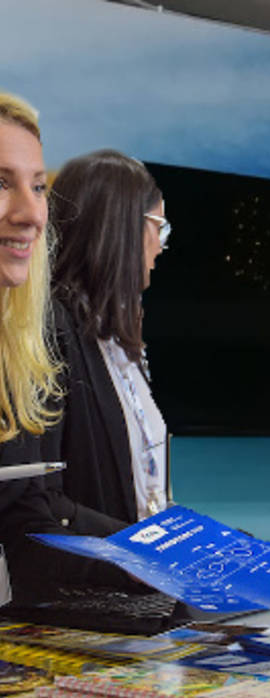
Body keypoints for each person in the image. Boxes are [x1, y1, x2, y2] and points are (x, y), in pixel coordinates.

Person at [0, 95, 136, 595]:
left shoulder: (19, 354)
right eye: (0, 183)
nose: (31, 213)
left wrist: (171, 560)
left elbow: (28, 516)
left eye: (38, 187)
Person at [43, 150, 170, 525]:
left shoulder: (118, 343)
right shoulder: (53, 332)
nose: (161, 246)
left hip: (138, 573)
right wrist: (142, 553)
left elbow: (146, 494)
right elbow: (40, 504)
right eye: (158, 227)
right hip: (103, 577)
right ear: (121, 225)